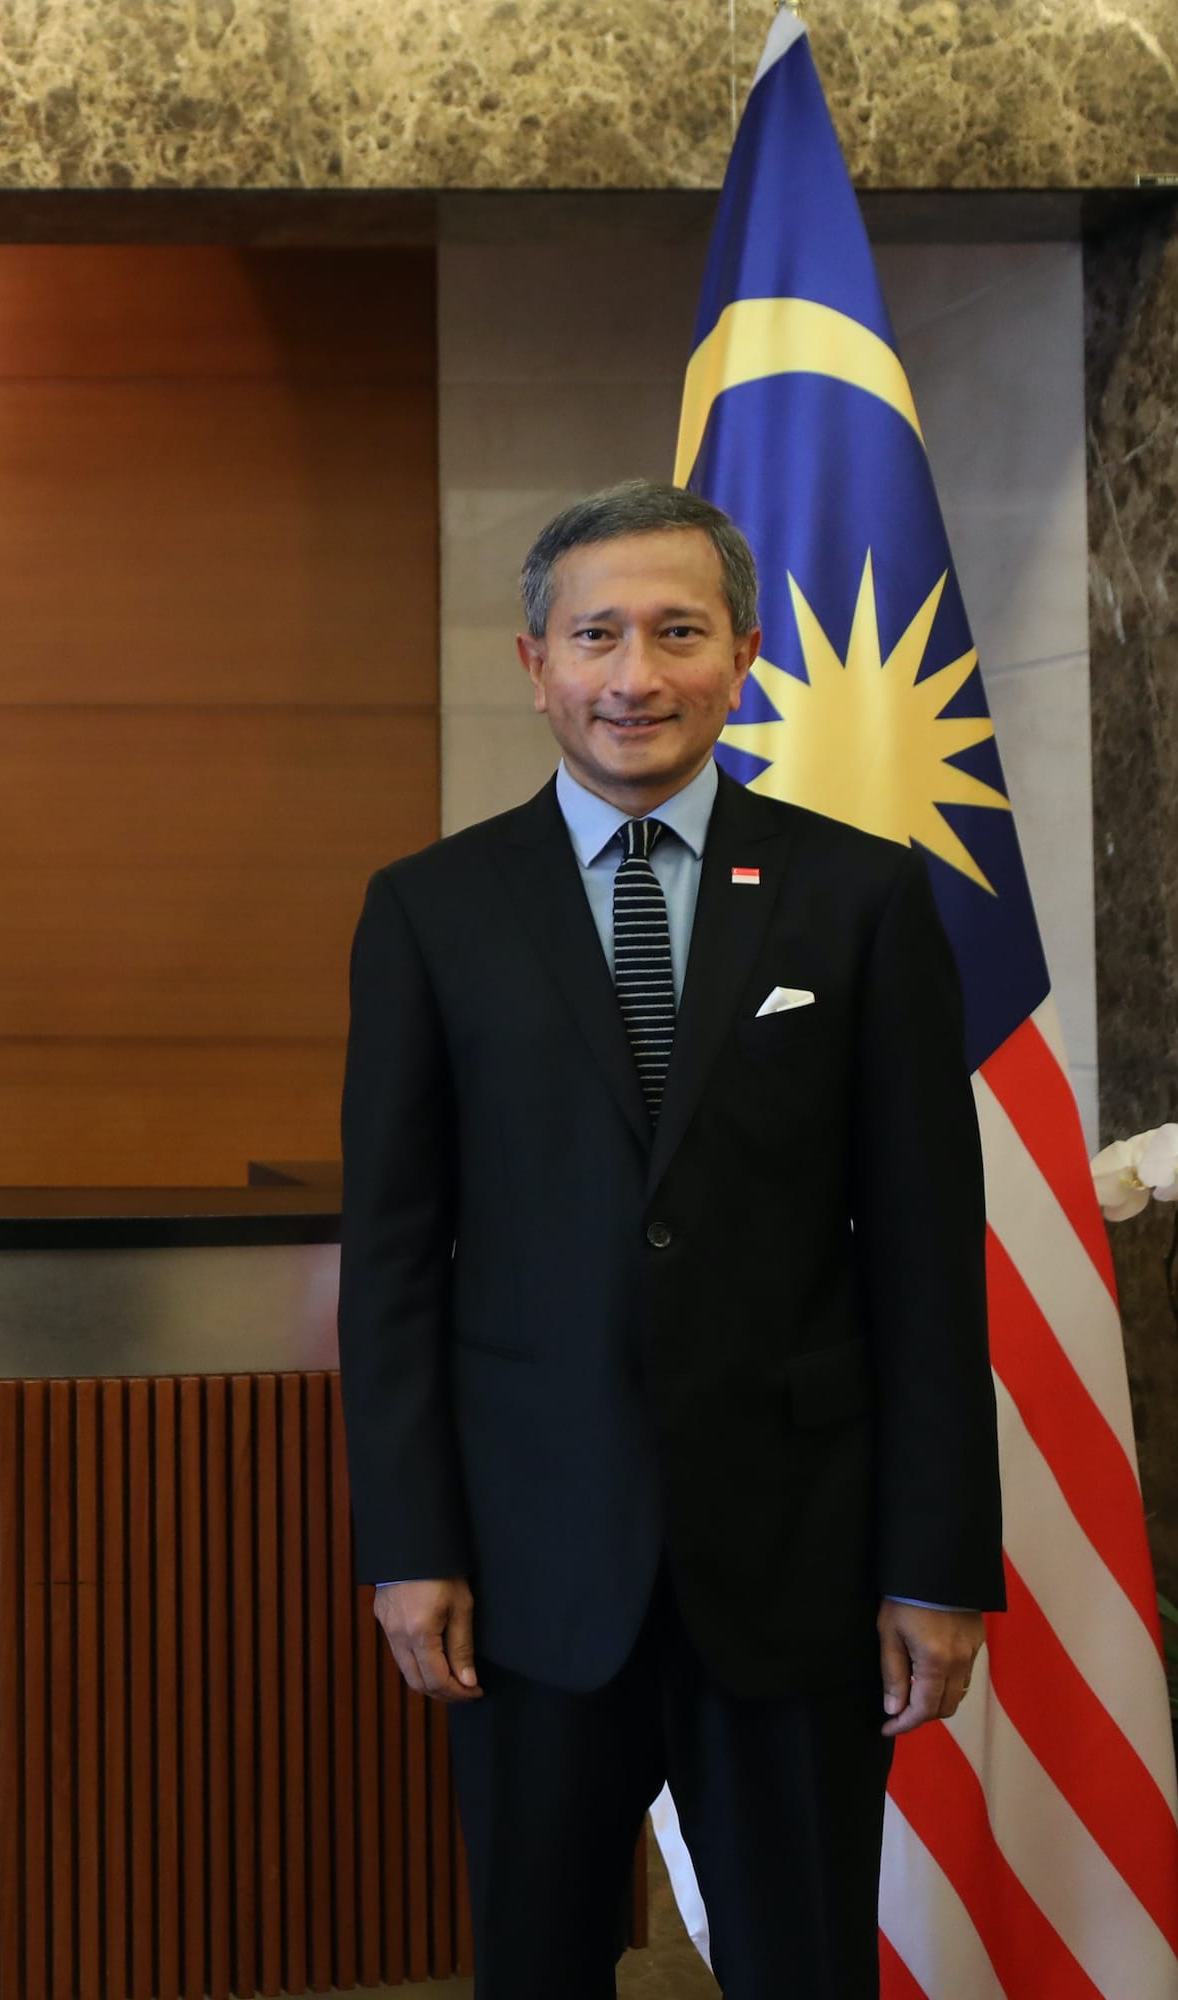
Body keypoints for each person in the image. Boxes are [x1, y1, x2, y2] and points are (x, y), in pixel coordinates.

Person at [337, 480, 1001, 1997]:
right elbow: (391, 1262)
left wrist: (936, 1559)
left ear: (746, 653)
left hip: (798, 1559)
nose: (636, 675)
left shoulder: (862, 898)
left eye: (678, 632)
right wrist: (409, 1542)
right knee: (541, 1960)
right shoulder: (432, 912)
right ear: (536, 663)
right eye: (597, 635)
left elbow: (922, 1256)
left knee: (802, 1963)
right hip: (524, 1565)